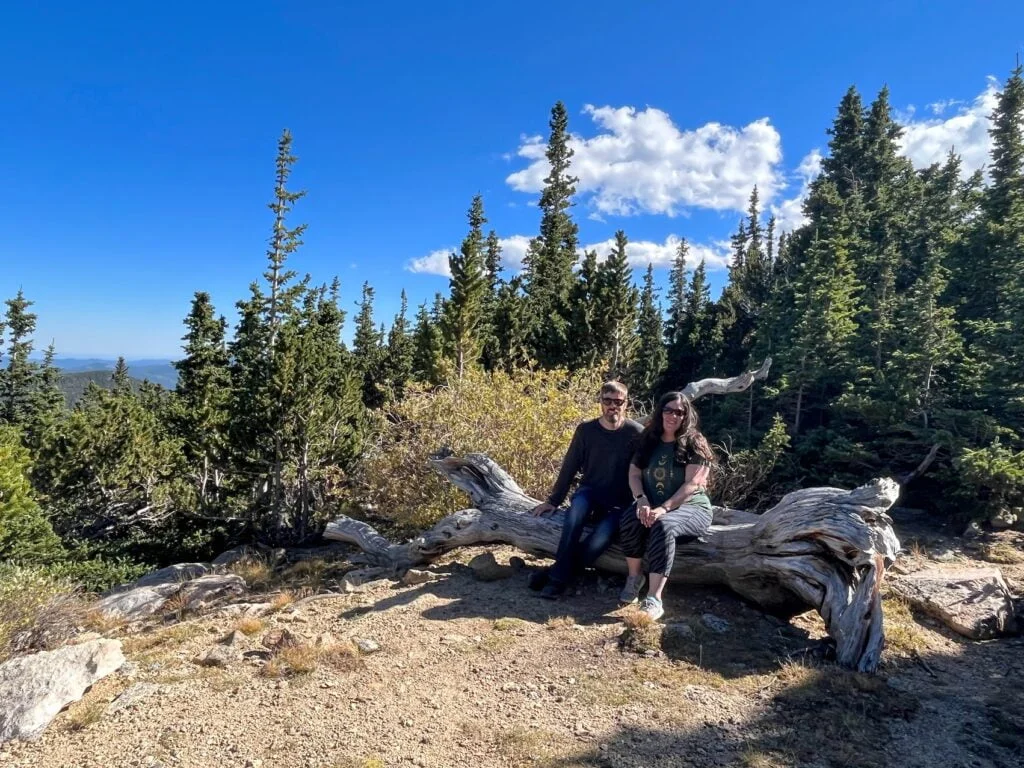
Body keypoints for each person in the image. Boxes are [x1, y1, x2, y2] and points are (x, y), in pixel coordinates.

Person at [529, 381, 644, 600]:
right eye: (607, 400)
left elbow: (643, 471)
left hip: (620, 502)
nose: (612, 406)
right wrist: (553, 501)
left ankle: (554, 574)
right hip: (590, 492)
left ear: (625, 403)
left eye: (618, 402)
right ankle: (556, 582)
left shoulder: (635, 433)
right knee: (576, 511)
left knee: (599, 540)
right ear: (600, 402)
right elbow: (569, 466)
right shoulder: (586, 430)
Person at [618, 392, 716, 620]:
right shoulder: (648, 439)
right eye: (668, 410)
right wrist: (641, 499)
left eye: (679, 412)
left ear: (686, 416)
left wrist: (663, 509)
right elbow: (634, 473)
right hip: (651, 504)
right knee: (629, 519)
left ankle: (654, 598)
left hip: (692, 508)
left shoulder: (694, 442)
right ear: (660, 411)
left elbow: (692, 485)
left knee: (663, 526)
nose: (673, 415)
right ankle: (635, 577)